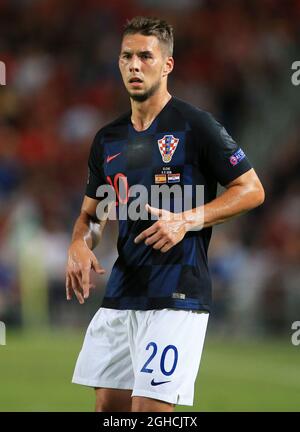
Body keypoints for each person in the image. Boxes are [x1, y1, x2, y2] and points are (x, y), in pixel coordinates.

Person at [66, 16, 265, 413]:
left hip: (178, 293)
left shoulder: (197, 126)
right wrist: (78, 244)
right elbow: (94, 214)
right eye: (127, 56)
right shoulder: (108, 139)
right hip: (123, 292)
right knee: (109, 409)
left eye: (145, 56)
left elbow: (252, 190)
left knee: (149, 412)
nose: (135, 65)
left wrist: (185, 219)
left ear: (167, 64)